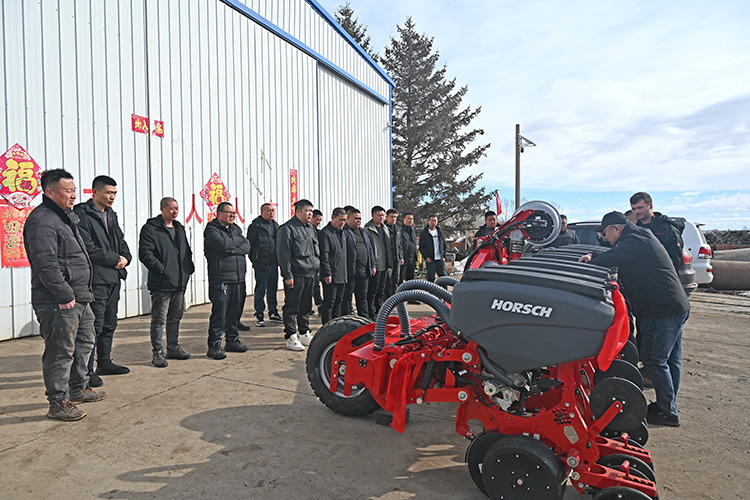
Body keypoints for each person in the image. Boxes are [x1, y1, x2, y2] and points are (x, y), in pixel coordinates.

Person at [578, 211, 690, 427]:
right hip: (673, 306)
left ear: (617, 228)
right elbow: (613, 252)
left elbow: (613, 257)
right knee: (670, 360)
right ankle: (668, 405)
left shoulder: (636, 239)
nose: (604, 237)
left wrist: (590, 262)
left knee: (654, 360)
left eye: (605, 233)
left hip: (662, 310)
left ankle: (668, 412)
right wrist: (593, 254)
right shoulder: (638, 236)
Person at [24, 169, 106, 421]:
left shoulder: (65, 217)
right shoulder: (42, 221)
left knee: (84, 343)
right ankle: (58, 402)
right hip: (59, 301)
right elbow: (45, 263)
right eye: (68, 191)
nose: (73, 195)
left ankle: (78, 388)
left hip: (80, 297)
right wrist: (64, 294)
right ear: (50, 192)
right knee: (60, 351)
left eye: (74, 190)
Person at [73, 175, 132, 388]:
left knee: (109, 323)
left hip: (113, 278)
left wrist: (126, 257)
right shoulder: (82, 214)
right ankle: (86, 371)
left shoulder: (110, 214)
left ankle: (104, 362)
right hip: (96, 279)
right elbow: (87, 247)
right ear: (95, 192)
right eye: (108, 192)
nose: (112, 197)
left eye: (114, 193)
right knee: (93, 326)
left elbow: (120, 240)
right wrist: (115, 259)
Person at [139, 197, 195, 368]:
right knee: (159, 319)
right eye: (171, 208)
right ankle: (158, 352)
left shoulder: (179, 229)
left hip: (179, 281)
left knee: (175, 317)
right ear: (162, 208)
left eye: (176, 208)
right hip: (161, 283)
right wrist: (162, 270)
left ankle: (173, 347)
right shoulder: (151, 228)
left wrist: (188, 269)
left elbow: (186, 252)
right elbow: (146, 254)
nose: (175, 211)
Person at [204, 202, 251, 359]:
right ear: (219, 214)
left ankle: (232, 340)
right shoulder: (212, 230)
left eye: (234, 213)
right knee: (220, 312)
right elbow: (223, 244)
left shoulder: (235, 229)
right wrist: (235, 243)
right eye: (229, 212)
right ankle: (214, 344)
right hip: (221, 279)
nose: (232, 215)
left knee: (235, 311)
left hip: (238, 278)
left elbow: (247, 246)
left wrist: (231, 249)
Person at [277, 199, 320, 351]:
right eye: (307, 211)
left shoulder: (310, 229)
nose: (310, 214)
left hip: (310, 273)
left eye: (311, 211)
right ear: (298, 212)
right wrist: (287, 274)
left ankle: (304, 332)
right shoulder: (287, 229)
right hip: (296, 274)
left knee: (306, 305)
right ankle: (290, 335)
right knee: (292, 306)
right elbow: (283, 254)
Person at [630, 192, 685, 272]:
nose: (637, 212)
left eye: (640, 208)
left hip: (663, 276)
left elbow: (676, 259)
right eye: (634, 209)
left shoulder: (667, 228)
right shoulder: (635, 230)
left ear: (650, 206)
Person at [247, 203, 282, 327]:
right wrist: (256, 260)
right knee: (260, 290)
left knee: (272, 289)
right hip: (261, 264)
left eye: (272, 210)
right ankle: (259, 314)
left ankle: (273, 312)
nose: (271, 213)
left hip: (273, 263)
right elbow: (250, 246)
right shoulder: (255, 226)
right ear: (262, 212)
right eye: (268, 210)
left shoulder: (275, 225)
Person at [342, 208, 376, 318]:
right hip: (350, 272)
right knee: (347, 298)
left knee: (362, 297)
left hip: (364, 272)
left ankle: (364, 320)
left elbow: (369, 249)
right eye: (356, 218)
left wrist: (372, 265)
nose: (358, 221)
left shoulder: (363, 232)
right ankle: (348, 320)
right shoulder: (344, 232)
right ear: (348, 218)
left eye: (360, 219)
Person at [318, 208, 349, 324]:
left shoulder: (342, 233)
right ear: (333, 218)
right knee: (329, 303)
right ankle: (327, 327)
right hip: (331, 275)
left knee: (338, 303)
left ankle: (336, 326)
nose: (342, 222)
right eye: (340, 219)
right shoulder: (325, 233)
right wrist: (327, 273)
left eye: (344, 220)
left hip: (342, 274)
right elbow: (324, 255)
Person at [365, 206, 390, 318]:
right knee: (372, 291)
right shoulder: (368, 230)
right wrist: (371, 264)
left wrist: (389, 263)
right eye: (379, 215)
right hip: (375, 264)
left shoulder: (385, 228)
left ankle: (379, 311)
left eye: (383, 215)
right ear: (372, 215)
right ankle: (371, 312)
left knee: (381, 290)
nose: (381, 217)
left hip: (384, 264)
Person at [419, 215, 447, 282]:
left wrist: (444, 256)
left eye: (435, 221)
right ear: (428, 222)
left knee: (443, 278)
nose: (433, 223)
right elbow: (421, 247)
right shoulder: (424, 233)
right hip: (430, 260)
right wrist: (426, 257)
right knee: (430, 278)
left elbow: (444, 245)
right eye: (432, 221)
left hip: (440, 259)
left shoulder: (440, 232)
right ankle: (431, 289)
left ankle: (443, 289)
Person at [384, 209, 403, 297]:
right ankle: (387, 299)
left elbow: (400, 244)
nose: (393, 219)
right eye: (392, 217)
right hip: (388, 259)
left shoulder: (398, 229)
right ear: (387, 217)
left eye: (395, 217)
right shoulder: (384, 229)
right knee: (388, 281)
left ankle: (395, 298)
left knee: (396, 280)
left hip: (397, 259)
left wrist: (401, 256)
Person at [399, 212, 419, 284]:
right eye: (409, 219)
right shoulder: (400, 230)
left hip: (412, 259)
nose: (410, 220)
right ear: (404, 219)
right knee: (400, 278)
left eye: (412, 219)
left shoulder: (413, 230)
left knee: (410, 280)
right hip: (403, 259)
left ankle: (410, 291)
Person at [311, 209, 324, 309]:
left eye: (320, 220)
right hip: (308, 264)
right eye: (317, 219)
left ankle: (319, 303)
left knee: (316, 284)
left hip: (316, 262)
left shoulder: (319, 233)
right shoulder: (307, 231)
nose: (319, 222)